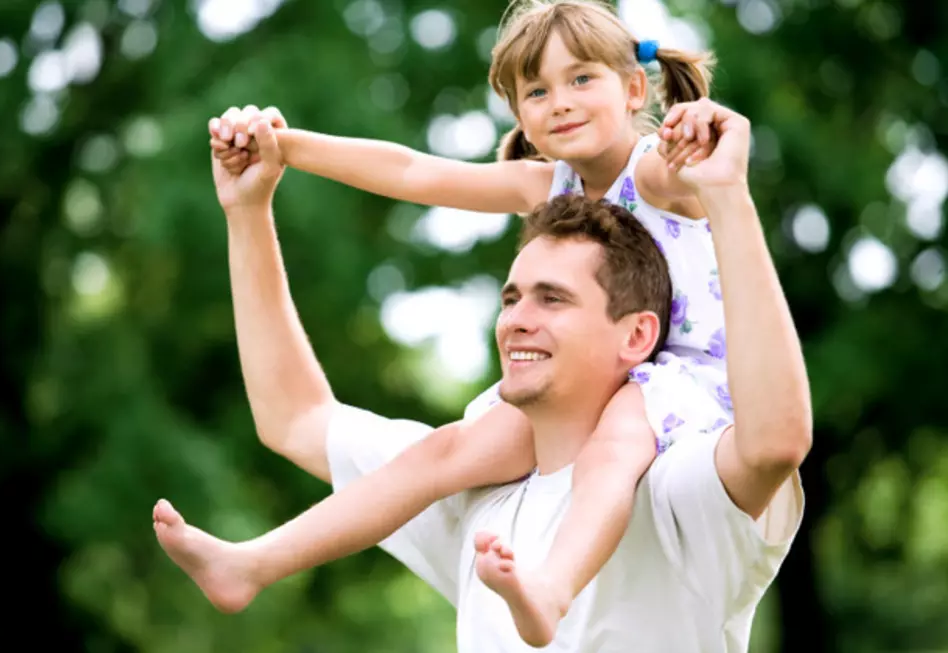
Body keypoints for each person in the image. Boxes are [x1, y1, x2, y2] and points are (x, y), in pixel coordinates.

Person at [154, 94, 810, 651]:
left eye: (552, 298)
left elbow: (776, 441)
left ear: (637, 334)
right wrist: (247, 211)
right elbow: (294, 418)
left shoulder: (674, 486)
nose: (517, 319)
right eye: (511, 297)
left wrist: (727, 201)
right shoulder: (480, 494)